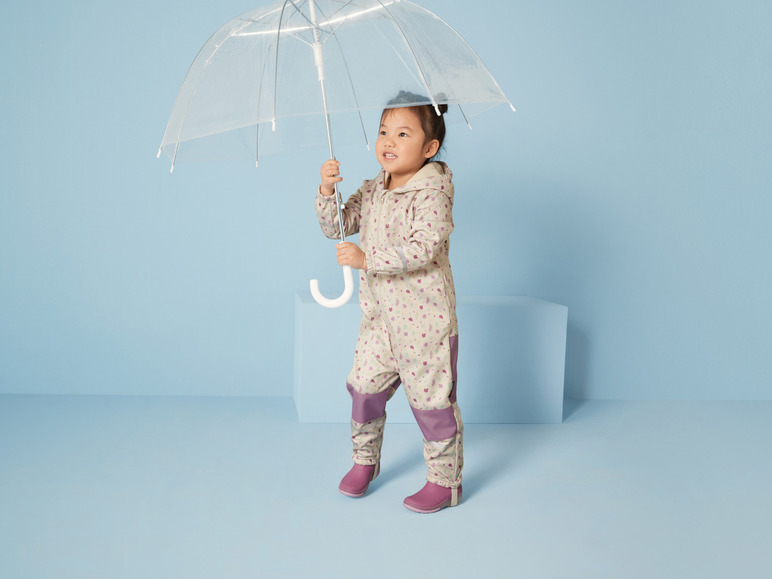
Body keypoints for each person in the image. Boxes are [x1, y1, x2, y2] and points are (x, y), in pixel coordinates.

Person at [315, 91, 463, 513]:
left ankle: (444, 481)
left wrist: (367, 260)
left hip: (425, 322)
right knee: (363, 388)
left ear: (429, 148)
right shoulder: (374, 189)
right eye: (383, 132)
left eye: (403, 133)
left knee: (432, 401)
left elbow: (424, 248)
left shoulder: (432, 191)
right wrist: (327, 190)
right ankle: (365, 460)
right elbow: (338, 226)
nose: (389, 142)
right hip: (380, 320)